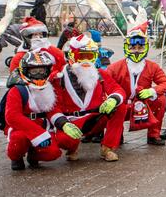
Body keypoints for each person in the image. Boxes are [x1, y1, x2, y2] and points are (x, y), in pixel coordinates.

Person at [53, 34, 127, 162]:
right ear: (73, 56)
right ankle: (72, 148)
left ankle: (107, 148)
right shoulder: (59, 77)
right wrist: (63, 123)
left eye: (90, 56)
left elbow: (118, 90)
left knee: (120, 107)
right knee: (63, 140)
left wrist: (113, 99)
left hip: (95, 118)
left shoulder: (99, 74)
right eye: (82, 56)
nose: (87, 61)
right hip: (72, 121)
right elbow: (53, 107)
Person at [107, 22, 166, 146]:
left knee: (161, 99)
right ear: (127, 47)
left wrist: (152, 91)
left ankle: (154, 135)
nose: (136, 51)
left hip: (143, 102)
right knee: (111, 105)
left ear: (145, 47)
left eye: (140, 47)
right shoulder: (114, 68)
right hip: (122, 104)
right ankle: (116, 134)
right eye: (133, 47)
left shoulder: (152, 66)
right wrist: (113, 99)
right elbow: (105, 86)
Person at [3, 51, 66, 170]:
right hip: (22, 127)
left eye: (42, 71)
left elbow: (52, 109)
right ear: (26, 71)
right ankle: (16, 157)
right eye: (34, 71)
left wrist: (62, 121)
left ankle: (34, 155)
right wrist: (38, 134)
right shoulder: (17, 90)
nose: (38, 74)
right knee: (18, 140)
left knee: (54, 153)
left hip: (42, 126)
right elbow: (12, 116)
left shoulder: (49, 87)